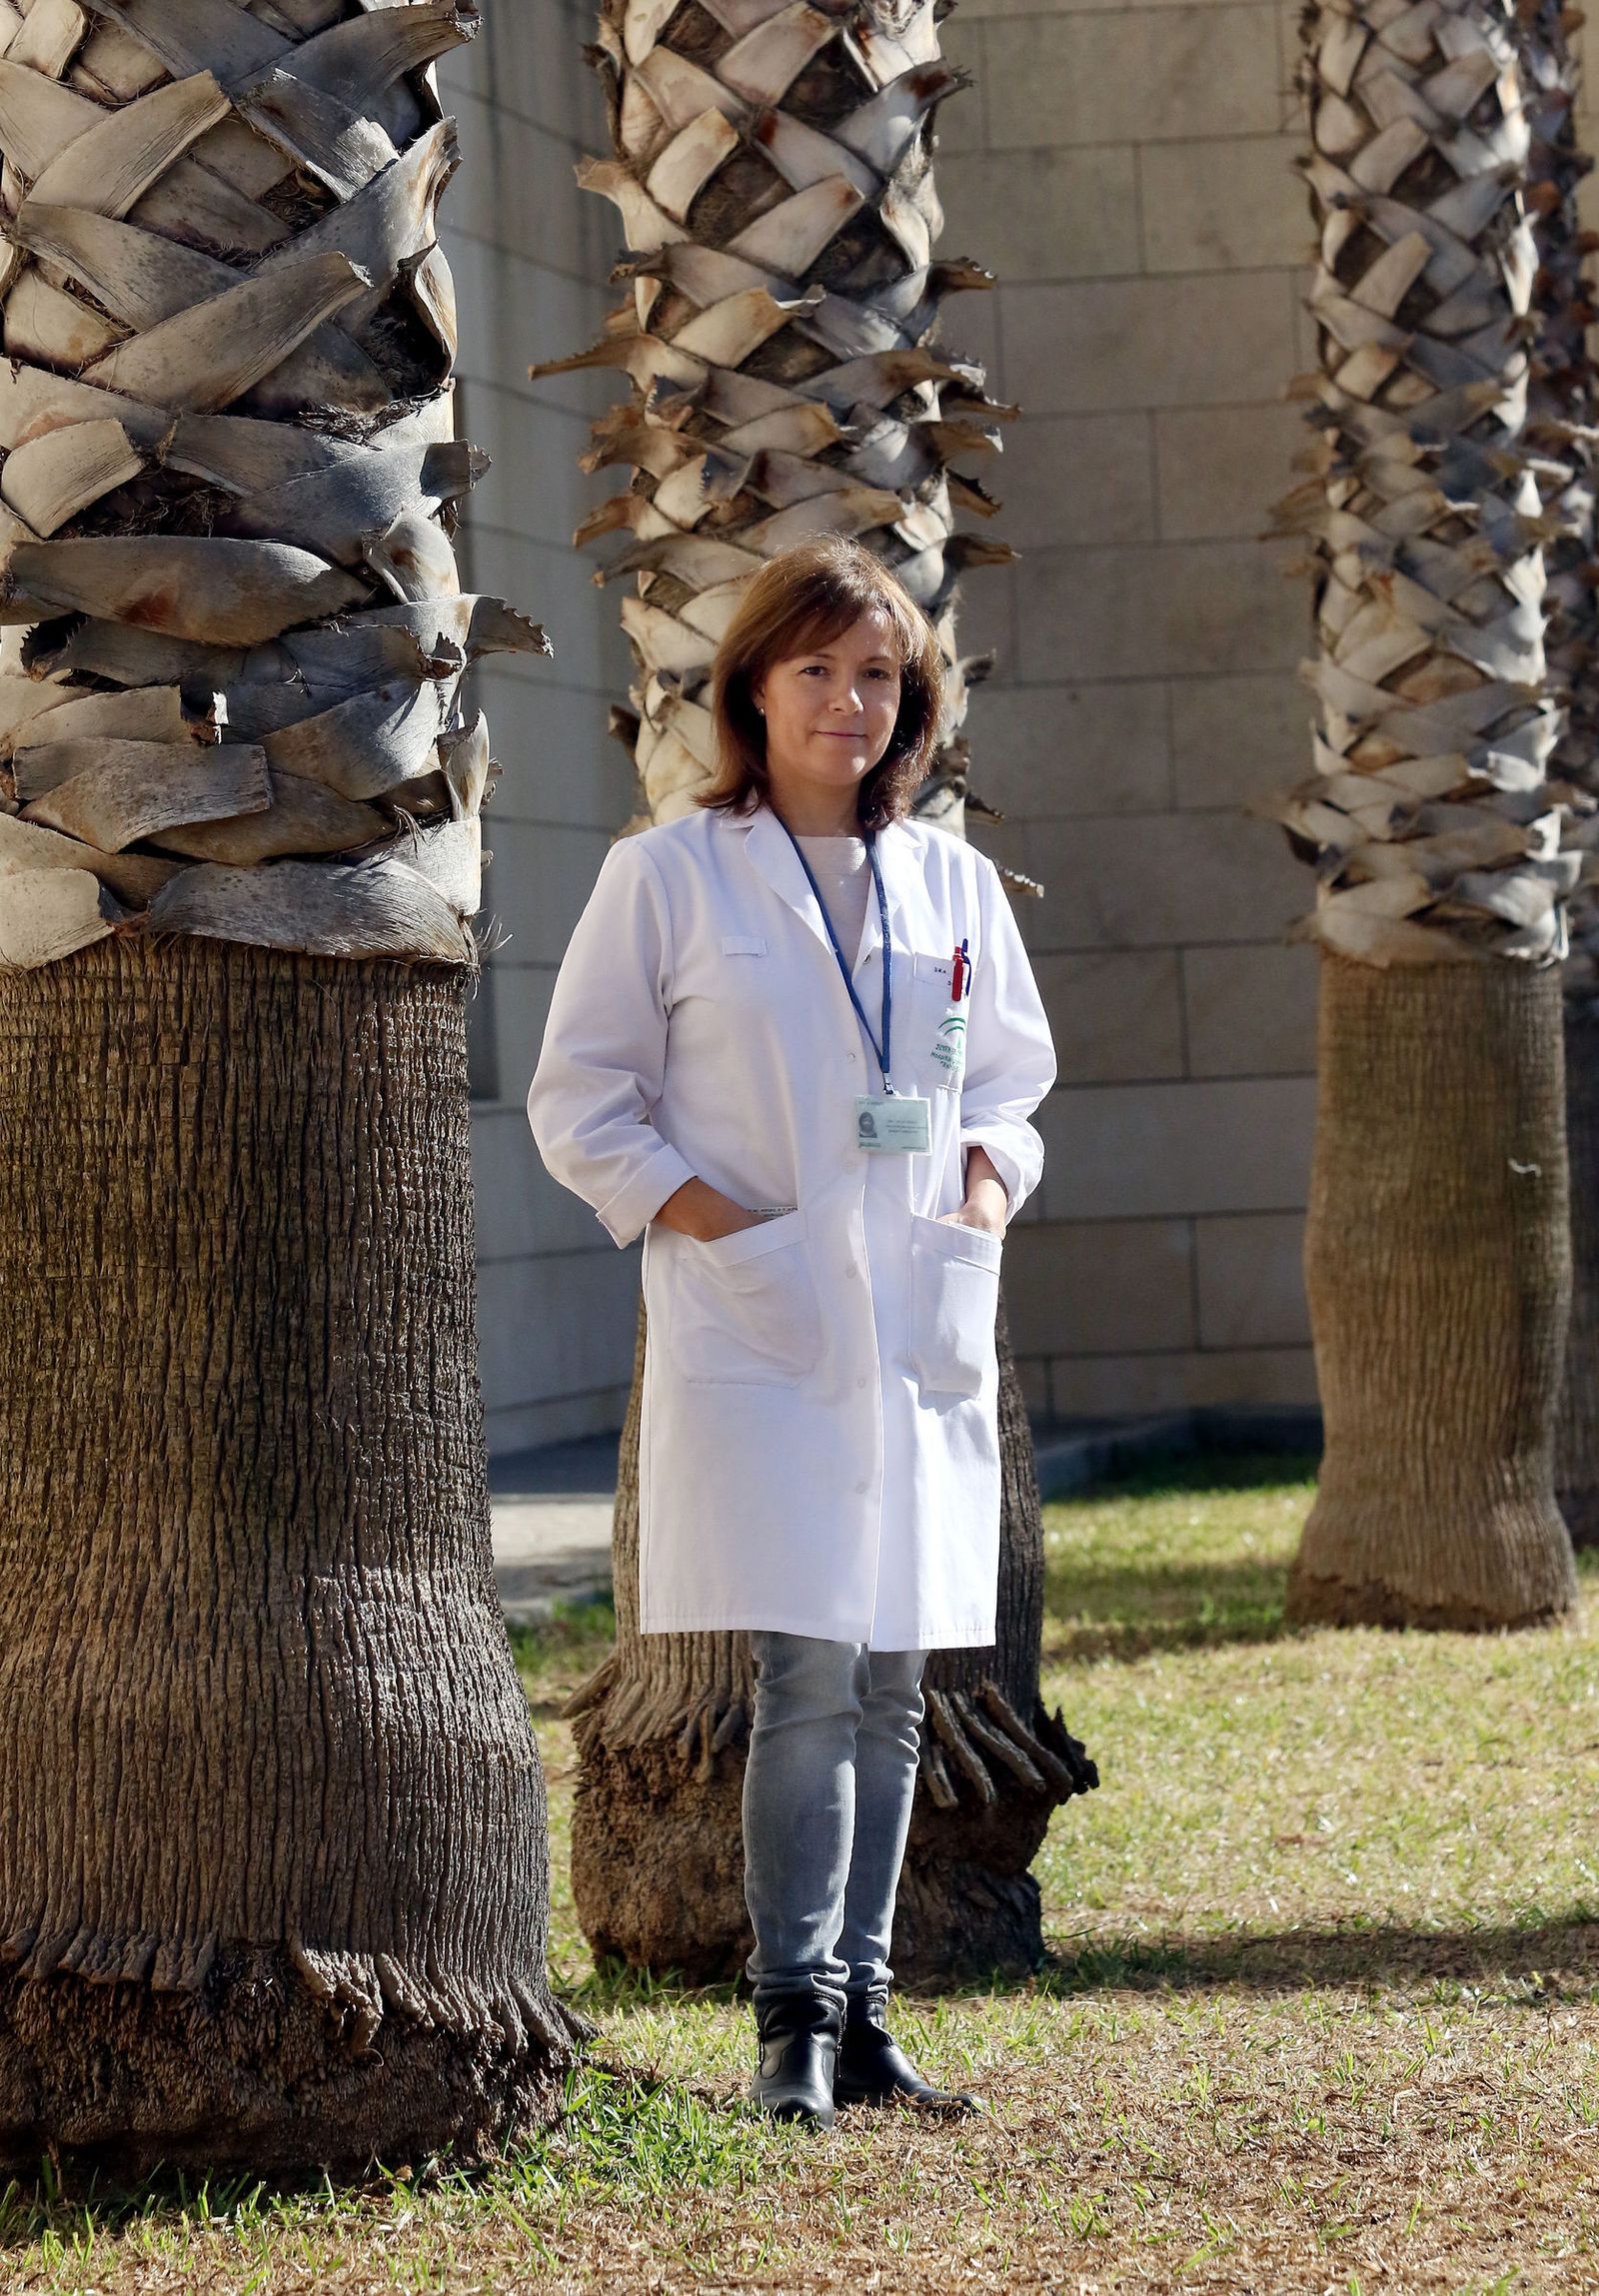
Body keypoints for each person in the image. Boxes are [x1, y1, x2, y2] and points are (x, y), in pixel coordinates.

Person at [527, 536, 1056, 2129]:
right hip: (761, 1325)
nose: (849, 700)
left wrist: (980, 1189)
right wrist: (725, 1234)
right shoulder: (670, 877)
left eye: (880, 674)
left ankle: (872, 2015)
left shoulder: (951, 881)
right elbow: (579, 1101)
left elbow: (1016, 1085)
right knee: (808, 1675)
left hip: (915, 1322)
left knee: (897, 1682)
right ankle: (791, 2027)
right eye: (817, 669)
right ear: (753, 688)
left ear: (916, 701)